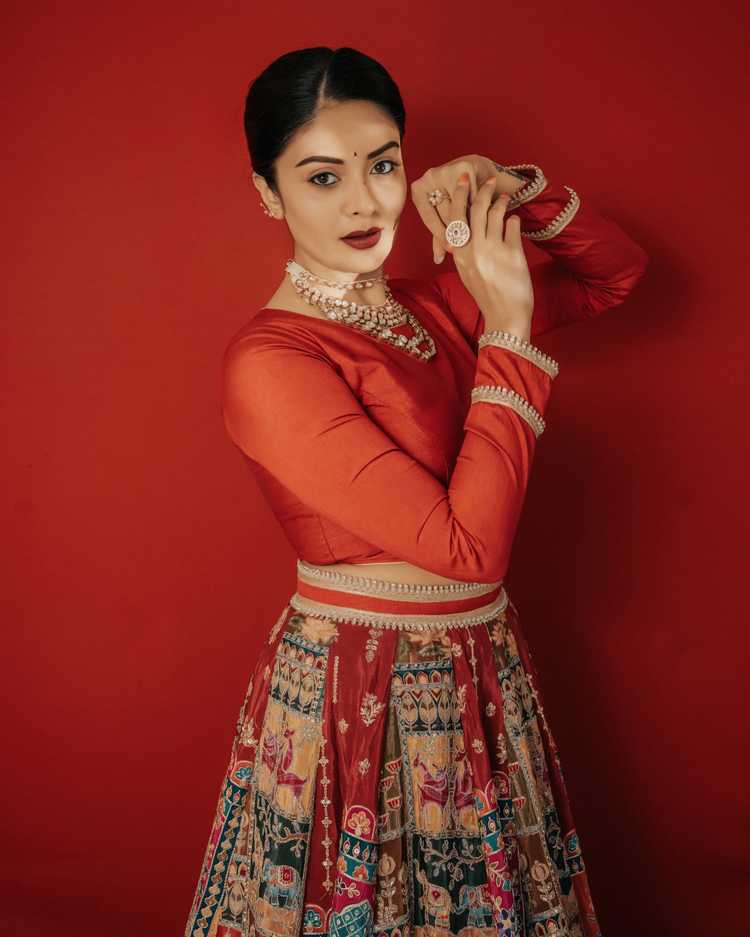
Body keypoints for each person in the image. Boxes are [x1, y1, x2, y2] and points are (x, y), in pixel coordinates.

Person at [184, 46, 648, 937]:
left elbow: (614, 273)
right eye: (323, 177)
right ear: (269, 194)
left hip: (480, 662)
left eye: (384, 164)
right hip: (359, 684)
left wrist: (511, 188)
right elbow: (468, 549)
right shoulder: (271, 361)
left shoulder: (433, 304)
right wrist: (507, 329)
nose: (365, 202)